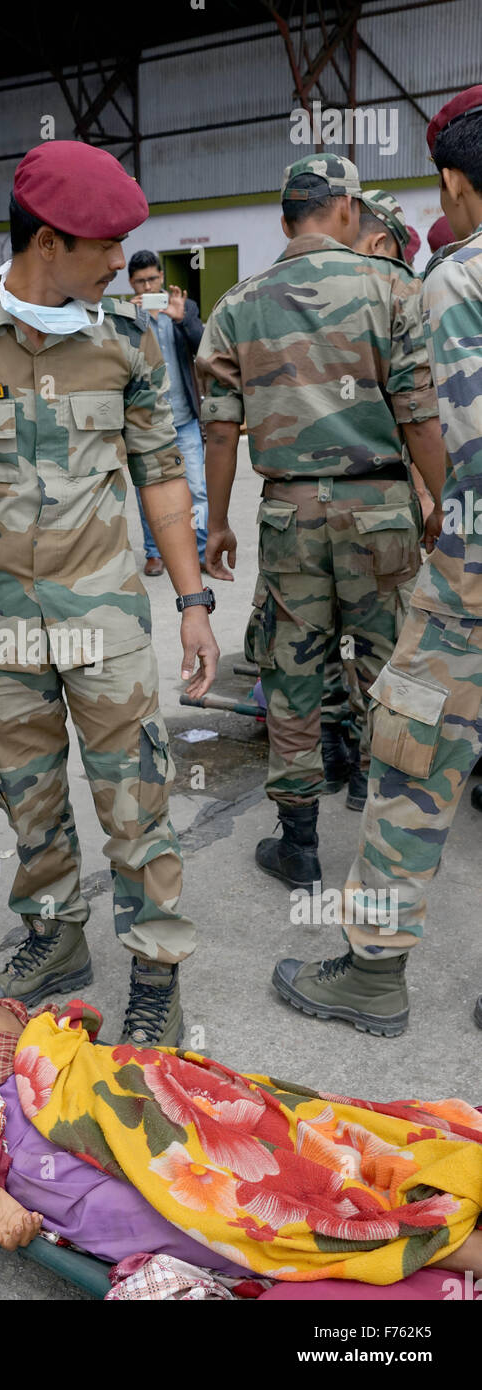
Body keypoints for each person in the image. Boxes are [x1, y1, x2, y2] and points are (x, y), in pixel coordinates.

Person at [0, 141, 220, 1046]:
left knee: (132, 794)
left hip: (102, 612)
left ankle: (154, 971)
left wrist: (193, 602)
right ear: (45, 242)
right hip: (0, 616)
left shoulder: (127, 339)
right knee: (23, 787)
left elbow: (159, 477)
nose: (120, 262)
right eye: (103, 245)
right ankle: (54, 938)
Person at [0, 929, 482, 1284]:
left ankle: (412, 1199)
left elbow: (15, 1031)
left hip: (78, 1075)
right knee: (201, 1208)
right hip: (15, 1136)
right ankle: (424, 1242)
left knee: (259, 1127)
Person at [273, 87, 482, 1037]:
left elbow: (461, 442)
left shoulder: (458, 278)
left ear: (453, 181)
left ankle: (369, 975)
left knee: (410, 760)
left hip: (470, 585)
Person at [197, 155, 445, 895]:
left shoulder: (238, 303)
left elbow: (218, 431)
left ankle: (298, 845)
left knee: (294, 671)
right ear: (344, 209)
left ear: (283, 220)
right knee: (388, 669)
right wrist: (446, 500)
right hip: (380, 510)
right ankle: (383, 816)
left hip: (289, 512)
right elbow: (419, 413)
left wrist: (215, 524)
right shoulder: (395, 286)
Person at [318, 189, 436, 811]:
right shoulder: (383, 297)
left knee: (340, 638)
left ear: (380, 242)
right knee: (374, 642)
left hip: (332, 501)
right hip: (377, 500)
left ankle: (348, 758)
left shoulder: (391, 292)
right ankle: (358, 765)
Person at [127, 251, 207, 575]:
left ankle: (200, 550)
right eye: (140, 281)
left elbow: (204, 346)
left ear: (161, 277)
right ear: (131, 283)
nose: (147, 285)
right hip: (147, 422)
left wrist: (181, 318)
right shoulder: (128, 314)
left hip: (185, 418)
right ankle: (153, 552)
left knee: (197, 489)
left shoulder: (184, 309)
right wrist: (134, 319)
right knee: (149, 489)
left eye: (152, 279)